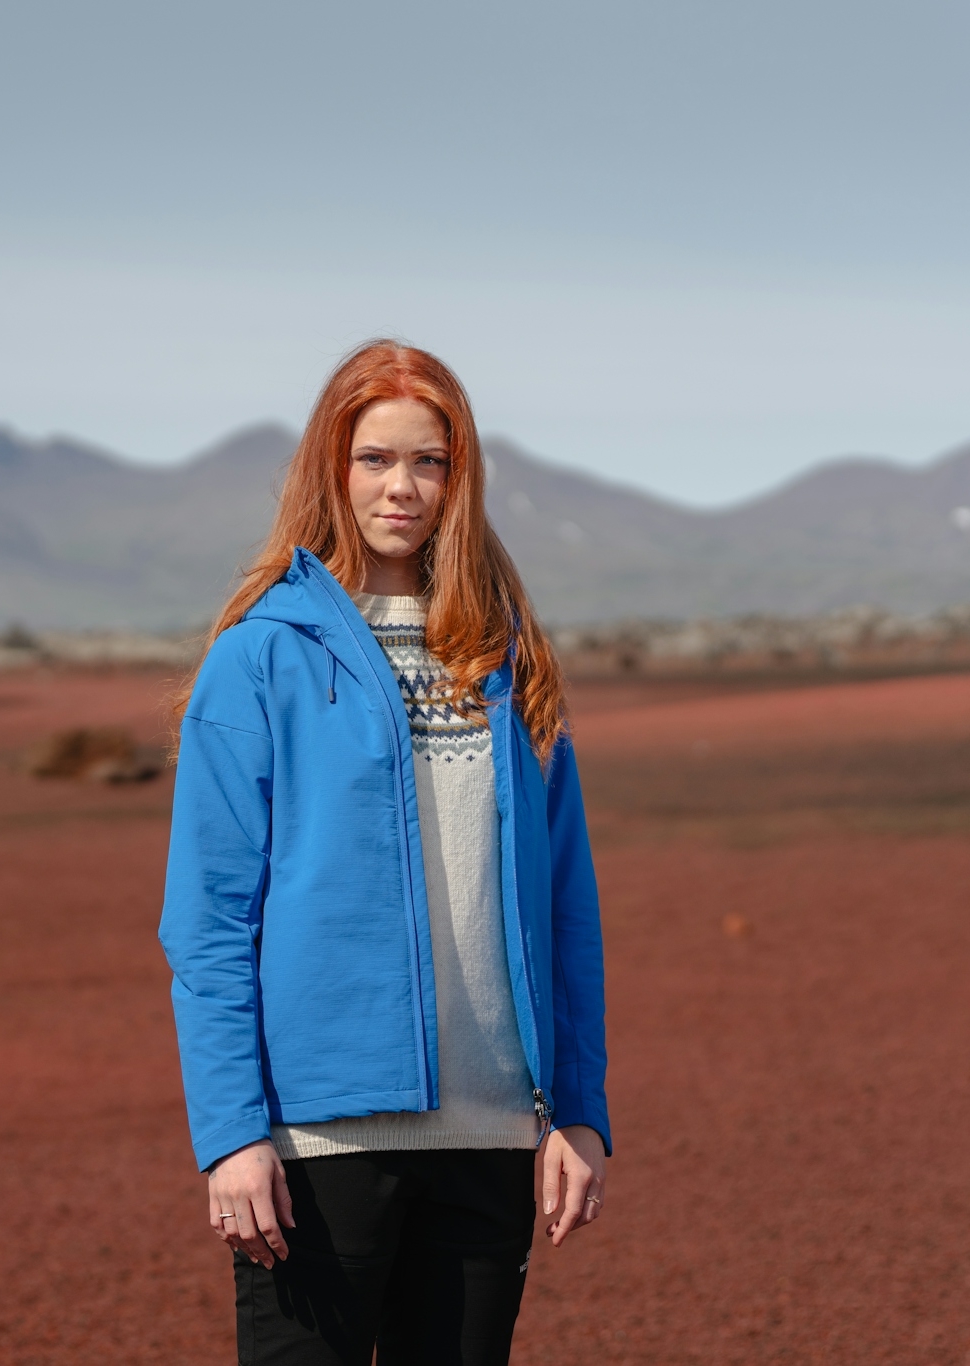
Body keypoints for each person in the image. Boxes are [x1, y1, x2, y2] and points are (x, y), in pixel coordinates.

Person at [158, 340, 610, 1364]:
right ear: (331, 467)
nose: (400, 488)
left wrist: (577, 1112)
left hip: (490, 1137)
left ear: (460, 478)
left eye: (427, 462)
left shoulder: (507, 656)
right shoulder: (260, 655)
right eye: (373, 459)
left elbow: (563, 908)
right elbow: (209, 918)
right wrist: (231, 1132)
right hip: (316, 1144)